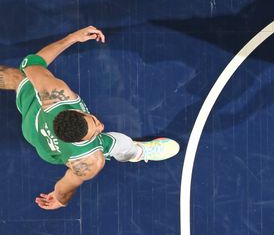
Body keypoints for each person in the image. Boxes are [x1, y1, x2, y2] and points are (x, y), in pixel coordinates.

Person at [0, 26, 180, 210]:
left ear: (75, 112)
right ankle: (138, 152)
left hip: (33, 123)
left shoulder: (54, 95)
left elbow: (30, 64)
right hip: (50, 151)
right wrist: (60, 200)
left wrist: (73, 37)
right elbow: (65, 186)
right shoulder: (89, 160)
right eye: (96, 131)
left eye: (94, 121)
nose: (101, 126)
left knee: (18, 77)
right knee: (117, 142)